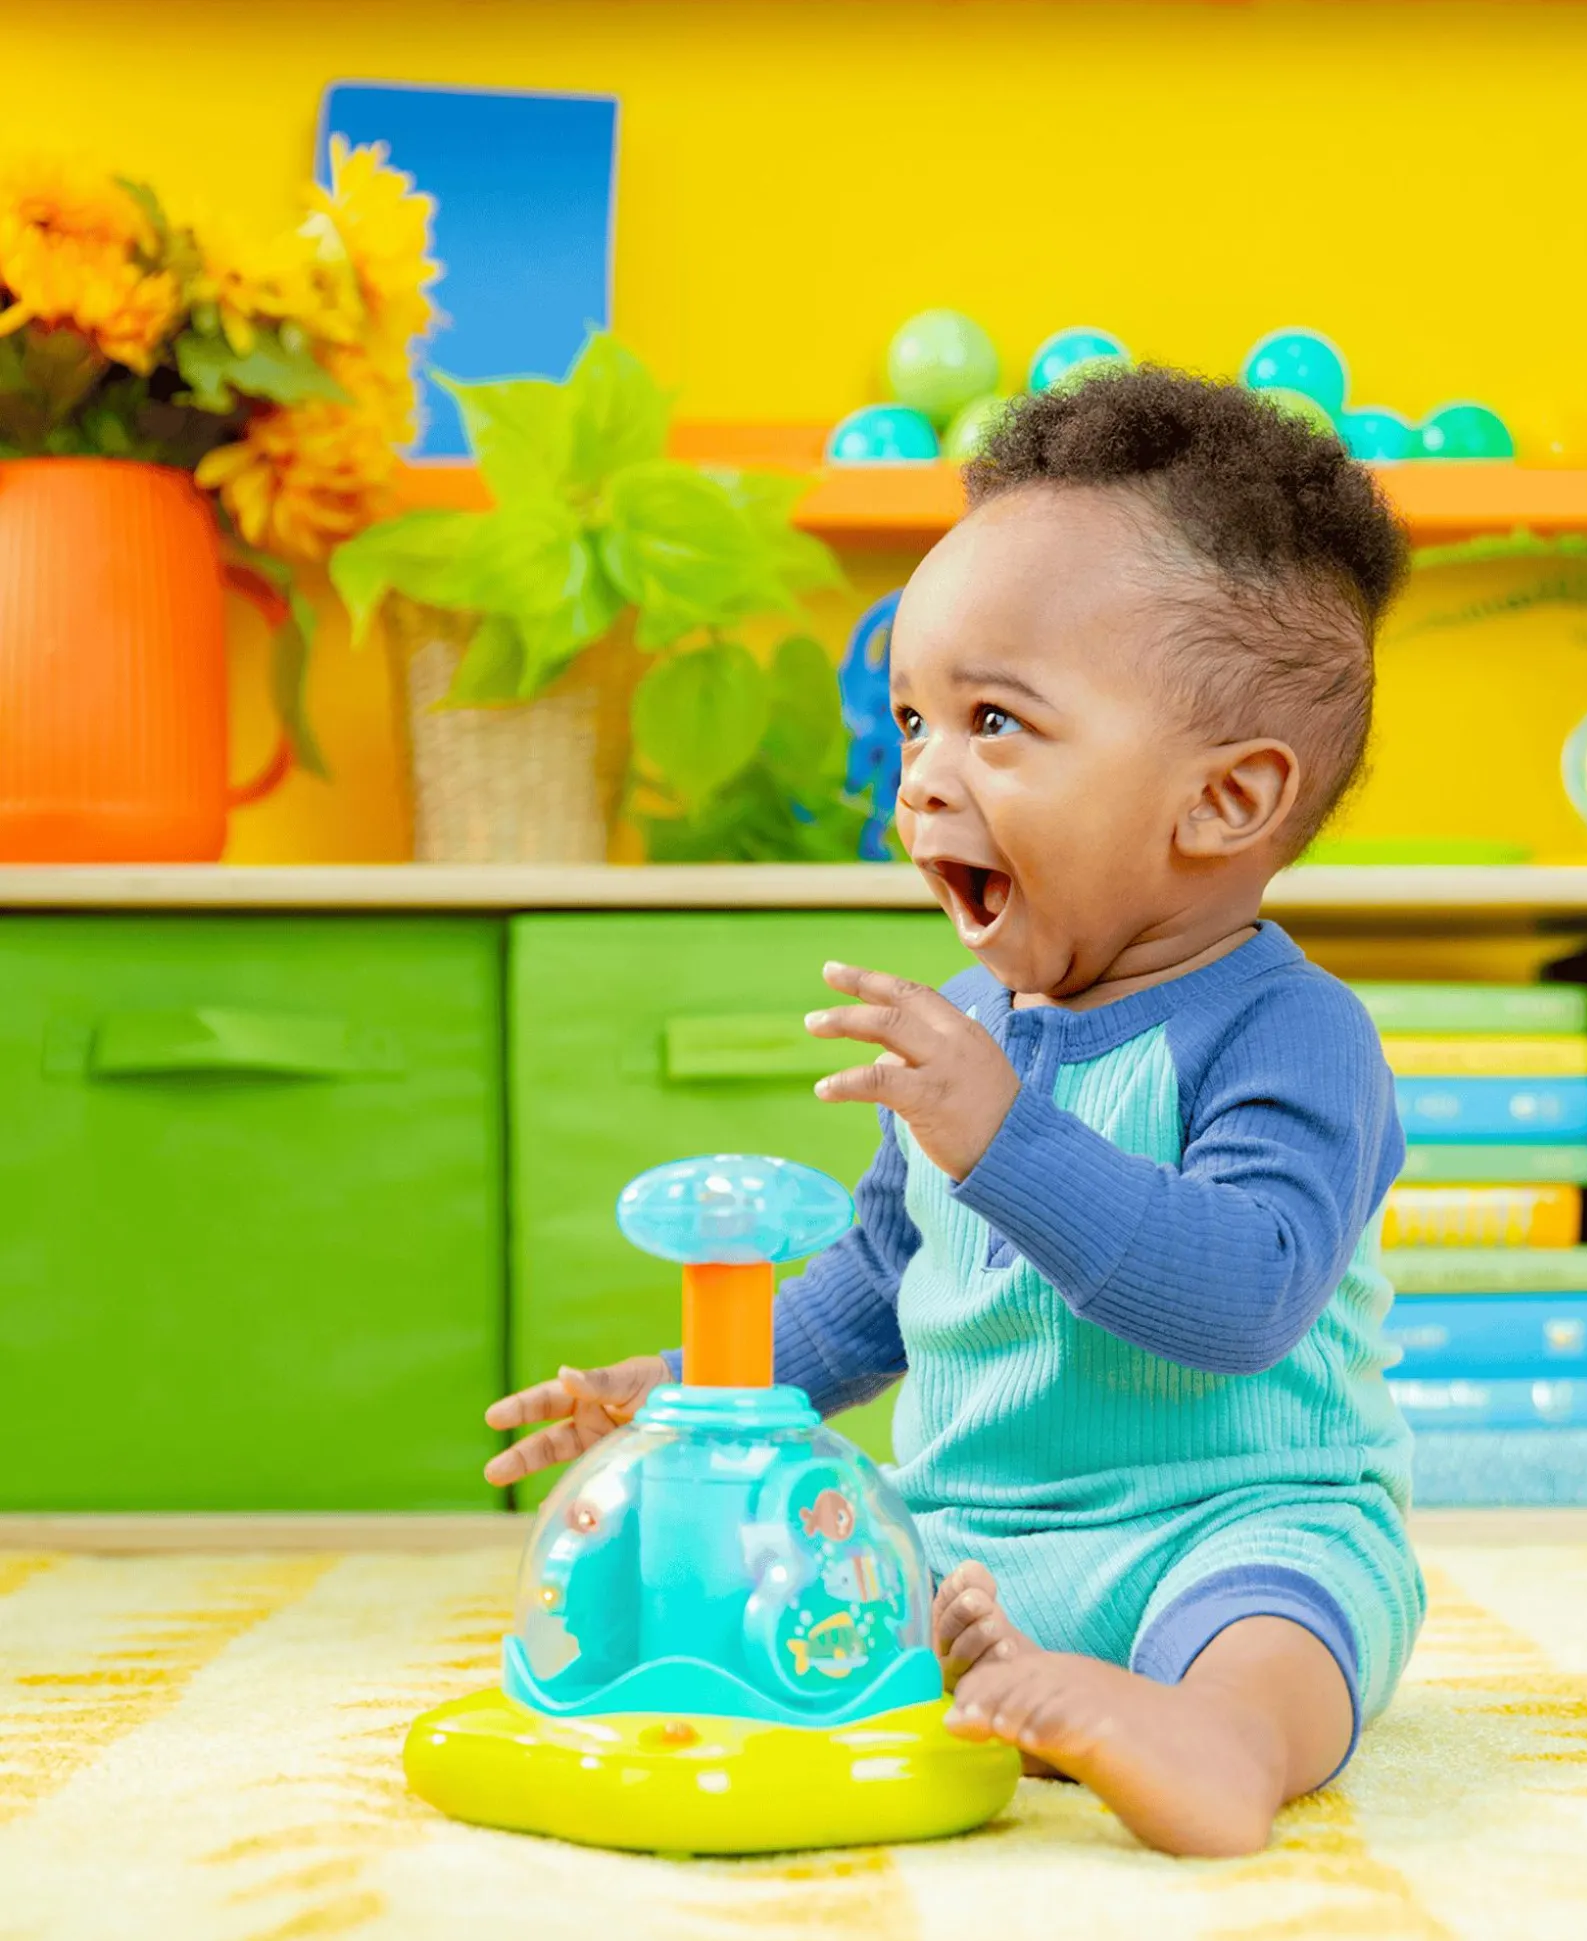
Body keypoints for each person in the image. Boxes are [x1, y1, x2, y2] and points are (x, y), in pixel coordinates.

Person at [485, 367, 1421, 1857]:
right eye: (912, 719)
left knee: (1283, 1623)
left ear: (1227, 802)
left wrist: (1006, 1138)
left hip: (1226, 1525)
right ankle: (1009, 1683)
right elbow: (876, 1286)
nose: (921, 780)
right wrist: (680, 1388)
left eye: (994, 721)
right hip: (968, 1534)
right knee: (813, 1573)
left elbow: (1245, 1297)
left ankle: (1219, 1743)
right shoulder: (970, 1027)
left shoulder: (1293, 1033)